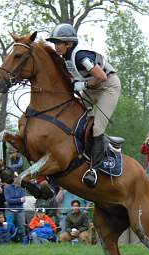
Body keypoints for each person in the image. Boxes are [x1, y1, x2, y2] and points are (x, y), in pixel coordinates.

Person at [47, 23, 121, 188]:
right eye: (54, 43)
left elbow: (101, 76)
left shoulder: (81, 57)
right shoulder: (65, 57)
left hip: (108, 87)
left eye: (59, 43)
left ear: (69, 44)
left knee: (97, 128)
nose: (56, 46)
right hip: (94, 86)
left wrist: (84, 85)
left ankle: (94, 170)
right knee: (71, 117)